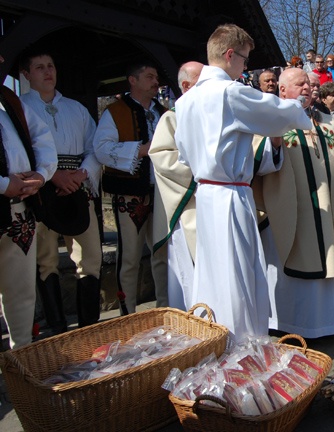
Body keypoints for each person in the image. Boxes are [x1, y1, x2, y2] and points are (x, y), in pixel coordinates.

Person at [174, 24, 311, 343]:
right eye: (245, 59)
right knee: (238, 273)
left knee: (212, 273)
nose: (246, 67)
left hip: (207, 195)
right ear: (230, 54)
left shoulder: (185, 102)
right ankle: (241, 344)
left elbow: (183, 155)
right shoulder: (229, 91)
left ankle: (211, 338)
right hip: (230, 195)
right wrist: (299, 104)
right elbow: (277, 112)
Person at [253, 68, 334, 338]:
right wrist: (274, 140)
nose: (307, 89)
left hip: (326, 212)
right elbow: (258, 160)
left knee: (327, 259)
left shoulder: (325, 124)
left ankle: (328, 324)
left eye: (309, 85)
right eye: (299, 84)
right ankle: (290, 324)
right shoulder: (268, 121)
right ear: (282, 91)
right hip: (290, 211)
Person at [20, 50, 102, 331]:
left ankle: (89, 329)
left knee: (90, 258)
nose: (47, 71)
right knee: (46, 261)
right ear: (26, 75)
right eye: (39, 67)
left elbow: (94, 147)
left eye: (51, 66)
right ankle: (57, 330)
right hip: (43, 189)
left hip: (78, 189)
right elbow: (19, 152)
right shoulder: (20, 108)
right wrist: (52, 175)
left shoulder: (76, 108)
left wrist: (80, 175)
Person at [94, 61, 168, 315]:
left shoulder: (164, 112)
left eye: (156, 76)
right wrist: (141, 150)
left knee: (162, 254)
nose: (155, 81)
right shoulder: (115, 111)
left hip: (162, 193)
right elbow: (101, 149)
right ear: (132, 81)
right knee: (129, 257)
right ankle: (128, 315)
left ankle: (165, 311)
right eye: (149, 76)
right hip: (130, 195)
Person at [0, 56, 57, 349]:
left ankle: (20, 365)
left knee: (21, 293)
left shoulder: (9, 100)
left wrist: (42, 174)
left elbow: (42, 139)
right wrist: (2, 183)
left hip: (20, 211)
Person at [149, 61, 203, 311]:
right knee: (188, 275)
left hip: (211, 204)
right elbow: (162, 156)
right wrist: (206, 173)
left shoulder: (213, 116)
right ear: (185, 85)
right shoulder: (172, 118)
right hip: (185, 208)